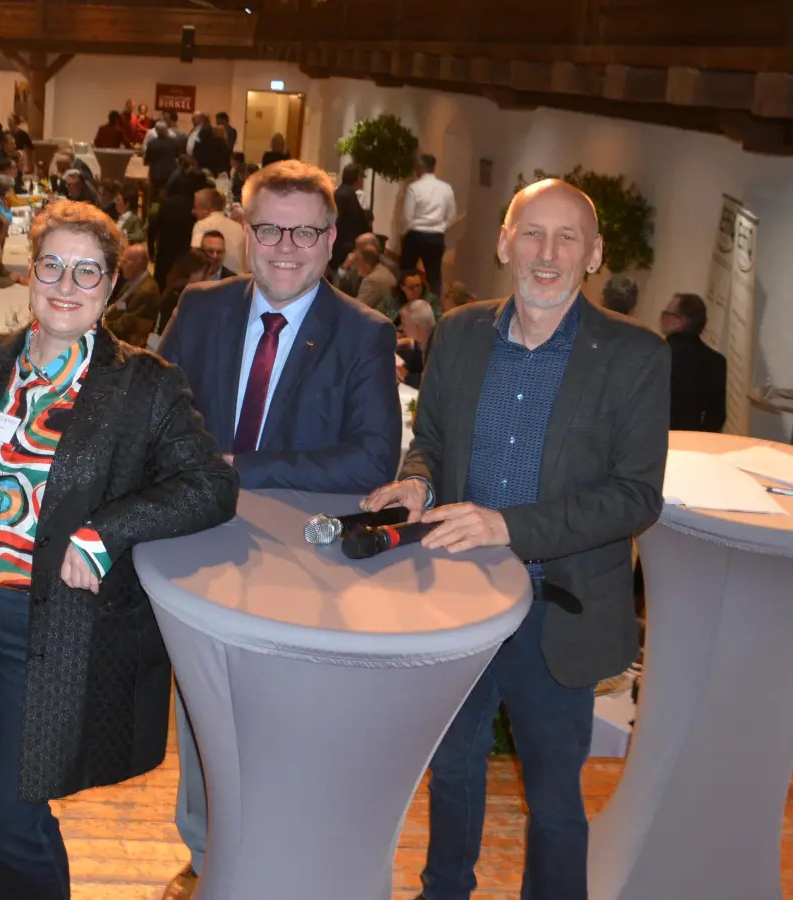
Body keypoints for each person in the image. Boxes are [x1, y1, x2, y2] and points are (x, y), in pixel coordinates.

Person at [0, 199, 238, 900]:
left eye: (87, 271)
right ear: (29, 272)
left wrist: (107, 532)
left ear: (110, 285)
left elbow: (210, 485)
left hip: (49, 627)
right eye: (52, 265)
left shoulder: (143, 384)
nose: (66, 285)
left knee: (11, 814)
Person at [363, 178, 668, 900]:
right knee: (454, 767)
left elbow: (635, 496)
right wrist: (418, 484)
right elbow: (432, 441)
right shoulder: (461, 331)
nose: (547, 253)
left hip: (558, 608)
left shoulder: (636, 356)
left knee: (555, 799)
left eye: (567, 238)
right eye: (532, 232)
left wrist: (508, 526)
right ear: (504, 242)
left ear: (594, 254)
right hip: (459, 599)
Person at [155, 161, 401, 899]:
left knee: (288, 726)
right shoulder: (200, 308)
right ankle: (204, 858)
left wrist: (237, 468)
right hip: (200, 553)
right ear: (244, 231)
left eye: (304, 232)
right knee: (202, 712)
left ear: (331, 240)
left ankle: (284, 864)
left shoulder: (363, 333)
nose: (286, 247)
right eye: (269, 229)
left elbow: (372, 457)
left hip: (305, 569)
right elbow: (155, 413)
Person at [660, 291, 726, 432]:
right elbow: (717, 416)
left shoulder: (658, 353)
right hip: (691, 439)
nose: (661, 318)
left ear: (680, 321)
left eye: (666, 314)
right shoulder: (717, 361)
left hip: (653, 437)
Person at [400, 152, 457, 291]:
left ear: (419, 167)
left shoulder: (414, 187)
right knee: (434, 276)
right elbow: (451, 215)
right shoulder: (446, 188)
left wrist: (404, 234)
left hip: (415, 235)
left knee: (407, 272)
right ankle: (434, 302)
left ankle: (406, 299)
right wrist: (441, 227)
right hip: (436, 237)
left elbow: (407, 216)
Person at [102, 243, 158, 337]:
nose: (120, 265)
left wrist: (101, 326)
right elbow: (123, 305)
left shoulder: (147, 293)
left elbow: (128, 327)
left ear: (137, 264)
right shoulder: (134, 280)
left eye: (124, 262)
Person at [329, 164, 373, 271]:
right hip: (342, 250)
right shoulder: (346, 196)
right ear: (357, 178)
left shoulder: (343, 193)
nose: (362, 181)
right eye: (361, 177)